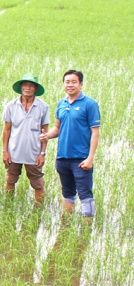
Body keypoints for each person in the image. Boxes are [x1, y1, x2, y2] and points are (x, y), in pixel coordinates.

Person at [41, 70, 101, 218]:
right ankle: (66, 225)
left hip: (81, 159)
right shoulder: (61, 103)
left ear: (81, 84)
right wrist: (47, 136)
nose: (70, 85)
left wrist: (90, 158)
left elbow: (95, 132)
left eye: (74, 82)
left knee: (85, 194)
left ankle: (87, 229)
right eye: (67, 82)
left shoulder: (90, 104)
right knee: (67, 193)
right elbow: (57, 128)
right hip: (62, 158)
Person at [1, 72, 50, 204]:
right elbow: (6, 130)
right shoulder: (11, 106)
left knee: (38, 183)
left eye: (31, 85)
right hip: (13, 152)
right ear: (21, 87)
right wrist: (5, 151)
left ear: (35, 89)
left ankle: (39, 209)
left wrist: (42, 153)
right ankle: (8, 206)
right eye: (25, 85)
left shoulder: (43, 107)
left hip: (34, 153)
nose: (28, 88)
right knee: (10, 180)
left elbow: (45, 132)